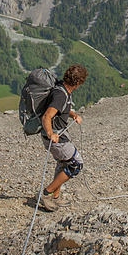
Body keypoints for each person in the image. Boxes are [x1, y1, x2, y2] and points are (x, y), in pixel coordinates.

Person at [40, 64, 88, 211]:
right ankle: (46, 194)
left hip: (58, 134)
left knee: (63, 164)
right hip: (55, 136)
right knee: (75, 165)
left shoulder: (63, 88)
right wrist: (51, 134)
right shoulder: (61, 95)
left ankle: (55, 198)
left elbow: (63, 109)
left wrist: (73, 115)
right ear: (78, 83)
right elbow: (47, 116)